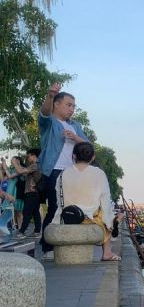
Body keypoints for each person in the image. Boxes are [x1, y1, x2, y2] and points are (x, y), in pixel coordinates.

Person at [37, 84, 90, 257]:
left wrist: (75, 138)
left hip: (73, 172)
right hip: (54, 170)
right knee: (54, 208)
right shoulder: (50, 123)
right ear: (57, 104)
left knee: (72, 208)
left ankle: (65, 241)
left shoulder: (75, 125)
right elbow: (44, 113)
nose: (72, 109)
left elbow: (88, 146)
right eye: (68, 105)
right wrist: (50, 95)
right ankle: (47, 247)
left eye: (74, 106)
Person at [56, 142, 118, 261]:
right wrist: (111, 222)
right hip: (89, 219)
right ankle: (107, 252)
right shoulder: (99, 173)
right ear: (93, 157)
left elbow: (59, 201)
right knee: (106, 213)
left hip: (68, 217)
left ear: (73, 156)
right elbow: (105, 202)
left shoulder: (62, 174)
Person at [12, 149, 42, 237]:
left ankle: (21, 232)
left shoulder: (35, 166)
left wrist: (15, 163)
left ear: (34, 156)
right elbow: (23, 171)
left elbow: (21, 171)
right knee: (35, 212)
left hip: (31, 192)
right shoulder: (34, 166)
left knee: (27, 212)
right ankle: (37, 231)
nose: (27, 158)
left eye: (28, 156)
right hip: (34, 193)